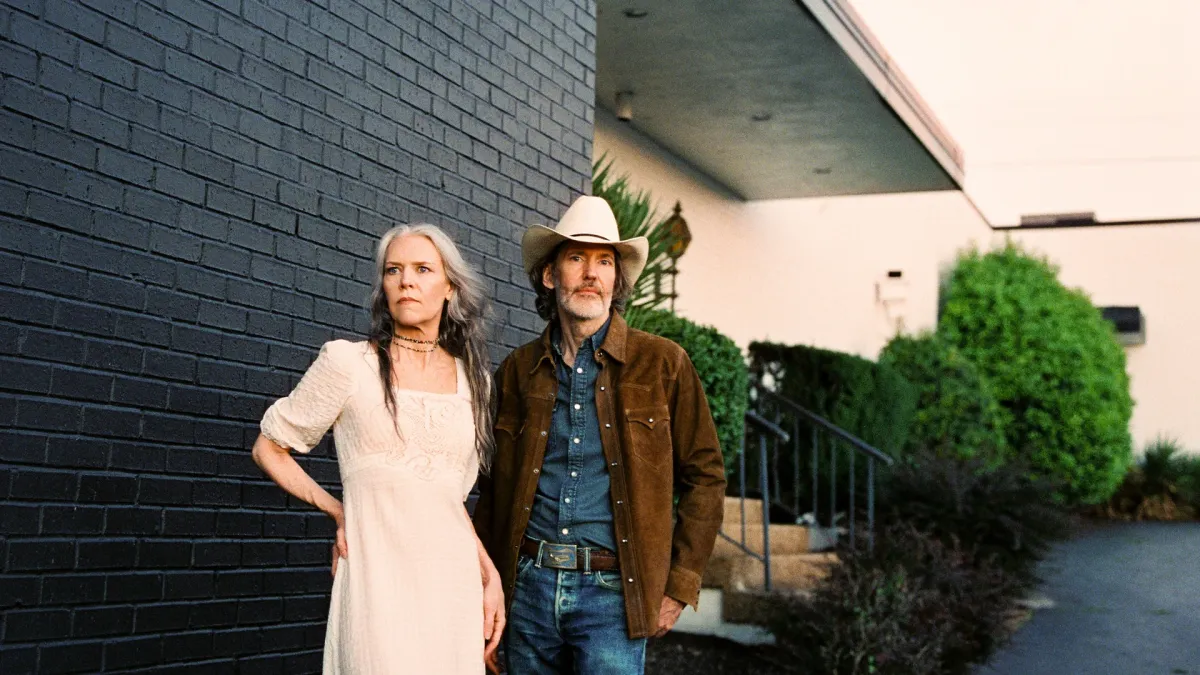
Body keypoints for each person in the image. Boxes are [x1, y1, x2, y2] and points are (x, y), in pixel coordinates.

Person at [473, 196, 727, 674]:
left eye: (605, 262)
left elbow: (706, 477)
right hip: (527, 589)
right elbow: (491, 490)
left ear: (616, 280)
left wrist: (679, 585)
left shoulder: (664, 364)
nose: (591, 273)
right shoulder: (517, 371)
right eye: (576, 258)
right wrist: (483, 589)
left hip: (613, 595)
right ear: (550, 276)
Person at [251, 224, 505, 674]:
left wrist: (489, 575)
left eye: (423, 269)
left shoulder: (475, 382)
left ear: (449, 287)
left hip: (452, 587)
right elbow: (268, 448)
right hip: (376, 583)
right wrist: (338, 511)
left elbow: (449, 500)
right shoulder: (348, 363)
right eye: (393, 270)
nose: (406, 280)